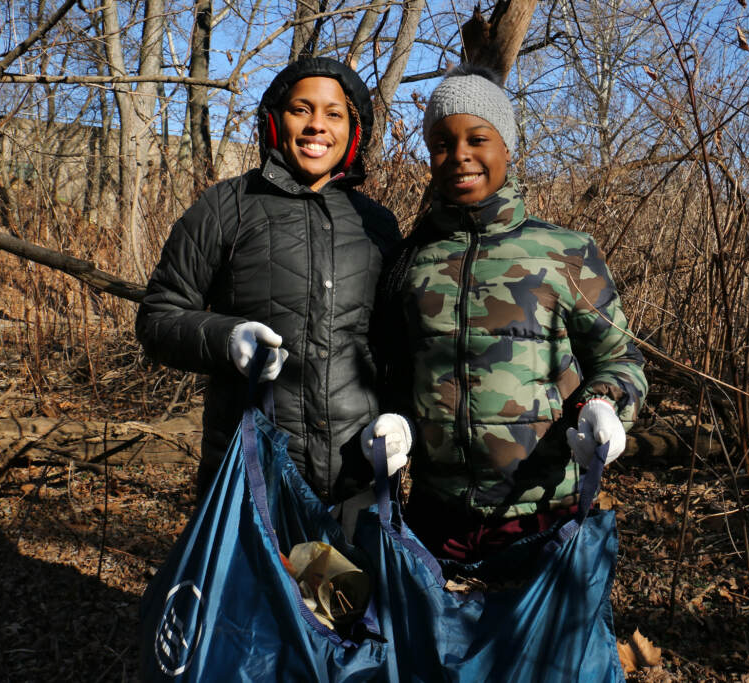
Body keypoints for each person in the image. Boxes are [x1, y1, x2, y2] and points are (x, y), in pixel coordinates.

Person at [369, 65, 648, 562]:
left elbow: (620, 359)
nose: (459, 156)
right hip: (436, 517)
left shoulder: (565, 252)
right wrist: (395, 421)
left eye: (478, 138)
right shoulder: (410, 261)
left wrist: (604, 404)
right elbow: (396, 369)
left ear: (508, 147)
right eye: (441, 142)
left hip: (545, 514)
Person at [136, 57, 410, 506]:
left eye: (334, 113)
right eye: (301, 109)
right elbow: (157, 319)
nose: (316, 125)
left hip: (357, 481)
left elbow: (395, 346)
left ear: (353, 131)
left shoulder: (377, 224)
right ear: (276, 120)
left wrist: (402, 422)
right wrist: (227, 338)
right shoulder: (225, 206)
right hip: (250, 479)